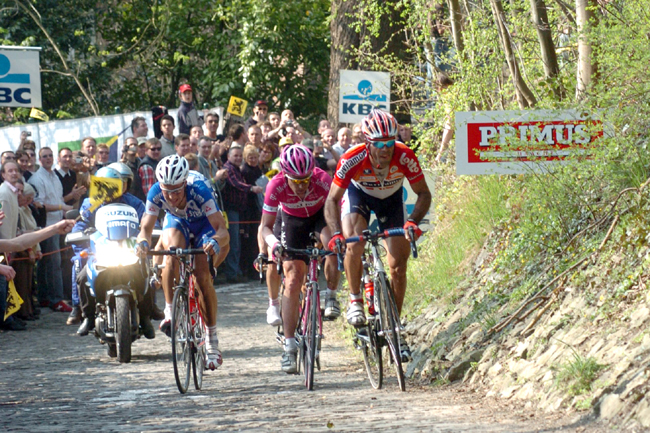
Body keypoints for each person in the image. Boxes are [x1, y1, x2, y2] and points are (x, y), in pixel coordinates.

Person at [324, 109, 432, 362]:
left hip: (391, 200)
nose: (386, 149)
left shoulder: (404, 155)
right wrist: (336, 234)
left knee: (398, 267)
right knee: (355, 242)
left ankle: (395, 327)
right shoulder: (352, 158)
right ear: (367, 142)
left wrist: (413, 222)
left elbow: (424, 193)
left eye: (390, 142)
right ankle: (355, 300)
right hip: (359, 196)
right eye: (379, 144)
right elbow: (332, 199)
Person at [135, 155, 230, 370]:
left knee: (201, 276)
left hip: (204, 225)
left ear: (185, 183)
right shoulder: (156, 192)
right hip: (178, 221)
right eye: (167, 191)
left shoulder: (200, 190)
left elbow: (222, 231)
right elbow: (146, 229)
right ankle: (170, 311)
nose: (171, 196)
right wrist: (141, 242)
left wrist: (215, 242)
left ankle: (212, 339)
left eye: (177, 191)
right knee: (171, 252)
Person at [257, 144, 340, 373]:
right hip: (291, 222)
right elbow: (265, 226)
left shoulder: (322, 179)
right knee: (293, 279)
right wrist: (274, 245)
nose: (303, 186)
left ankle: (331, 296)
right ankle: (290, 346)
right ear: (285, 175)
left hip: (319, 216)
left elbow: (336, 211)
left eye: (306, 180)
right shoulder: (276, 185)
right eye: (297, 181)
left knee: (332, 243)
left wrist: (338, 238)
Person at [74, 167, 154, 338]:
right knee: (82, 277)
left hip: (129, 250)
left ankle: (146, 317)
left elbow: (149, 223)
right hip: (101, 252)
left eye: (112, 185)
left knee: (147, 271)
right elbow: (79, 226)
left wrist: (147, 235)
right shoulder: (89, 203)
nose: (108, 189)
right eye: (104, 185)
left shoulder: (134, 203)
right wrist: (83, 246)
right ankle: (87, 317)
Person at [28, 147, 74, 313]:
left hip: (59, 223)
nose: (48, 158)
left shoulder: (55, 176)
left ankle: (45, 297)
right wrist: (62, 206)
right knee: (53, 263)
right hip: (46, 225)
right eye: (44, 156)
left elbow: (59, 198)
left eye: (50, 156)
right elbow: (40, 205)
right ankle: (56, 299)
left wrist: (65, 213)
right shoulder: (36, 178)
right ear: (40, 160)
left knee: (49, 263)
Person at [222, 145, 263, 283]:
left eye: (240, 156)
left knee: (238, 242)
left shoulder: (237, 169)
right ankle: (232, 273)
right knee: (234, 242)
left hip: (240, 210)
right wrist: (251, 188)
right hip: (231, 210)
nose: (238, 158)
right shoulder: (228, 169)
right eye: (236, 156)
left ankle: (236, 271)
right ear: (229, 156)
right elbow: (236, 184)